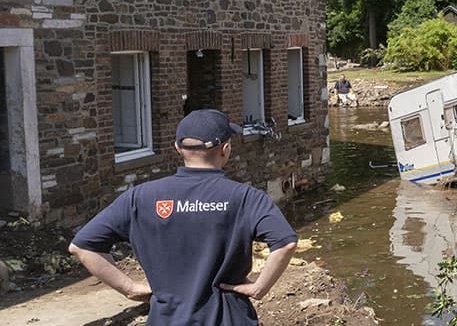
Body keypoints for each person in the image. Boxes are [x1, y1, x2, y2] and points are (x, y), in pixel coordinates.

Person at [68, 109, 299, 325]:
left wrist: (130, 288)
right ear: (226, 149)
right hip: (229, 317)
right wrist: (260, 287)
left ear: (177, 149)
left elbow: (83, 246)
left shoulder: (140, 198)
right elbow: (286, 243)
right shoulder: (246, 198)